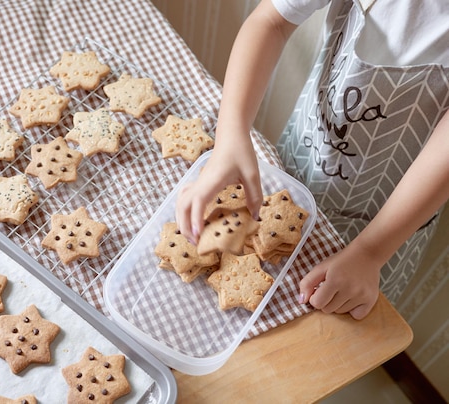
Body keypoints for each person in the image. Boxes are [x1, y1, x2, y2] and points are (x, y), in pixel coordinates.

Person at [175, 0, 449, 320]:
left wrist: (370, 253)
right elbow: (271, 21)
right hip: (300, 159)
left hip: (386, 225)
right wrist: (229, 138)